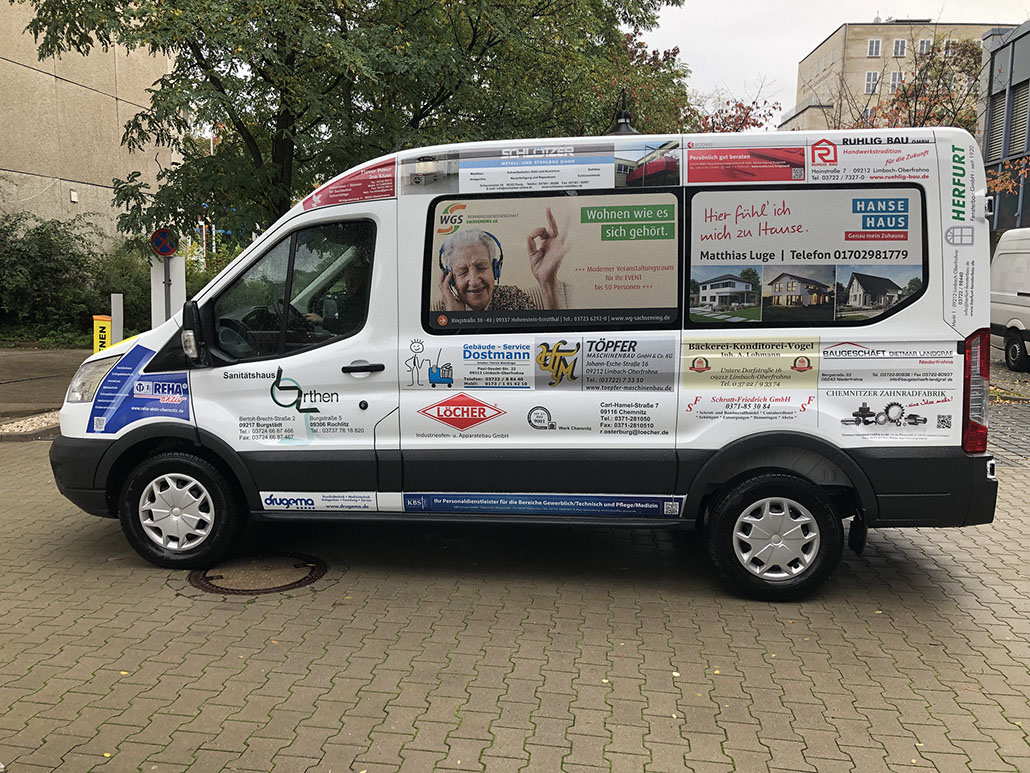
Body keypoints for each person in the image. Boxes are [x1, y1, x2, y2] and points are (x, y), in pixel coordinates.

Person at [438, 207, 569, 312]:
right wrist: (455, 318)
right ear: (451, 279)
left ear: (496, 269)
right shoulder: (442, 312)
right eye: (462, 271)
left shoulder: (513, 297)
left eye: (481, 267)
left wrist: (548, 281)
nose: (474, 281)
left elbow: (544, 335)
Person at [304, 257, 371, 335]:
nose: (346, 286)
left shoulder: (359, 302)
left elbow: (346, 328)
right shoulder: (368, 297)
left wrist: (322, 321)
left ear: (351, 282)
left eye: (346, 280)